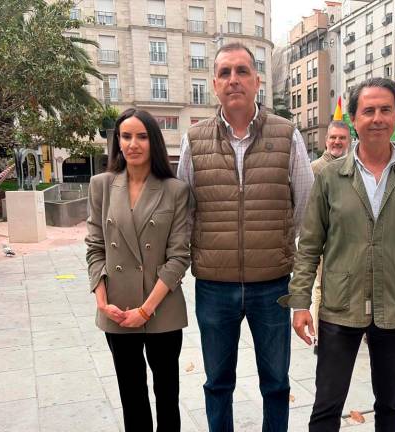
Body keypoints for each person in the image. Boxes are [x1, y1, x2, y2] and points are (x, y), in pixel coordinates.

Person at [281, 78, 395, 431]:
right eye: (368, 110)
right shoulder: (329, 177)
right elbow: (309, 245)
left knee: (390, 404)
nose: (377, 118)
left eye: (386, 109)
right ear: (353, 119)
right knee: (326, 405)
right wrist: (300, 304)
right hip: (341, 306)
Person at [177, 42, 314, 432]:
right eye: (224, 73)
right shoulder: (195, 139)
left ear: (257, 81)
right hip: (214, 288)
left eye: (241, 71)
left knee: (276, 382)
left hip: (272, 286)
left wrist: (302, 282)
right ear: (214, 84)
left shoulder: (287, 135)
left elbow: (307, 212)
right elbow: (184, 212)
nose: (233, 79)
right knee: (217, 383)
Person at [85, 108, 191, 432]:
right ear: (117, 141)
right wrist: (102, 302)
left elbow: (178, 258)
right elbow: (95, 247)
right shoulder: (101, 185)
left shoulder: (175, 189)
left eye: (141, 136)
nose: (133, 144)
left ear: (153, 141)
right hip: (117, 310)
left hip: (161, 310)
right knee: (132, 398)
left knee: (167, 396)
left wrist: (145, 311)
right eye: (126, 136)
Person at [309, 120, 350, 355]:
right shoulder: (316, 168)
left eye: (342, 138)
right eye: (333, 137)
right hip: (324, 240)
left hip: (349, 240)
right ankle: (320, 337)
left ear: (348, 141)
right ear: (326, 140)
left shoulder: (354, 166)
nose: (337, 142)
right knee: (322, 287)